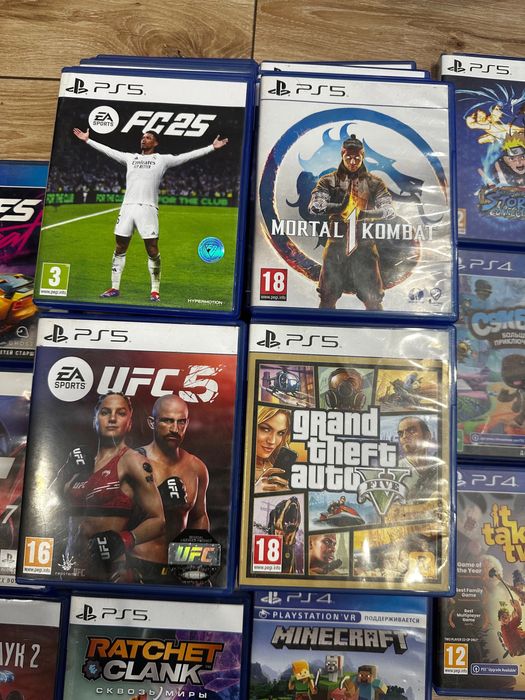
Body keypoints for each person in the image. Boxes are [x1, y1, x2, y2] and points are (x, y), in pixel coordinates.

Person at [72, 127, 228, 301]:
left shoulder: (162, 160)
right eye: (143, 137)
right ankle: (114, 287)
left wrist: (211, 147)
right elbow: (109, 151)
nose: (143, 139)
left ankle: (155, 290)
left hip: (148, 208)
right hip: (127, 208)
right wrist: (88, 140)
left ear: (156, 143)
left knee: (152, 249)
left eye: (148, 137)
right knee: (120, 247)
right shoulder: (131, 158)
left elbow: (186, 156)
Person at [55, 392, 165, 582]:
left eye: (120, 413)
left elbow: (159, 520)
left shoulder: (133, 461)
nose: (112, 418)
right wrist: (66, 469)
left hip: (110, 572)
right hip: (70, 568)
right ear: (95, 419)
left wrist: (124, 540)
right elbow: (48, 500)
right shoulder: (82, 460)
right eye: (105, 412)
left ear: (129, 423)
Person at [308, 134, 396, 310]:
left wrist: (365, 213)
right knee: (327, 296)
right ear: (342, 154)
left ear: (362, 156)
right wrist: (338, 207)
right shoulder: (329, 181)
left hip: (365, 244)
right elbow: (314, 206)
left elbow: (389, 210)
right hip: (336, 244)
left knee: (373, 299)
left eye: (357, 157)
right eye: (349, 157)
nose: (353, 161)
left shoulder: (374, 183)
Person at [130, 395, 210, 581]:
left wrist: (196, 562)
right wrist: (157, 502)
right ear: (152, 423)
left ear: (187, 424)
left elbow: (199, 516)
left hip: (177, 568)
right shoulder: (132, 462)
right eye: (167, 421)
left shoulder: (196, 467)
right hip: (137, 563)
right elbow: (115, 519)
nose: (174, 429)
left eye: (181, 422)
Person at [397, 415, 440, 498]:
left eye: (411, 431)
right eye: (400, 434)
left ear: (427, 436)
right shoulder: (396, 469)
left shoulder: (437, 466)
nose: (404, 436)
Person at [254, 406, 293, 493]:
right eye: (266, 429)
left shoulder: (279, 470)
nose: (272, 441)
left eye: (280, 433)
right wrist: (255, 491)